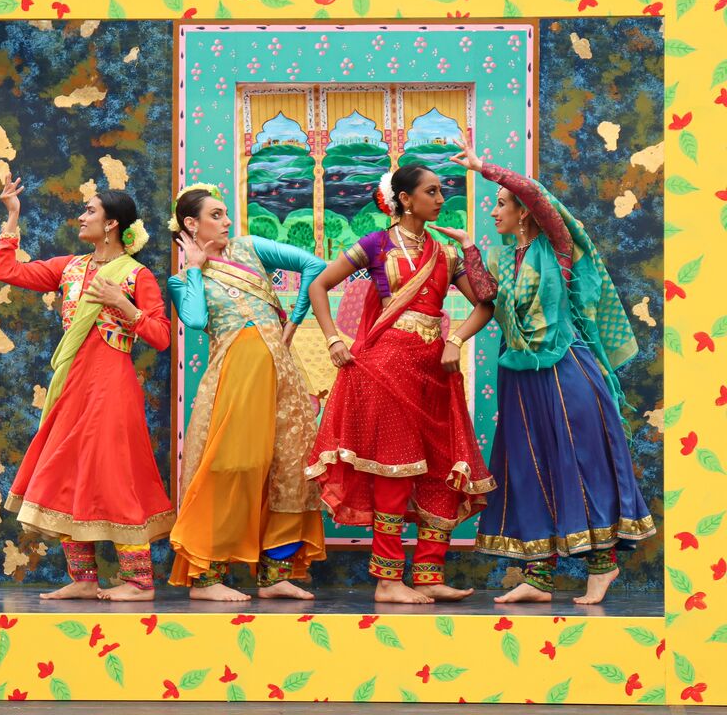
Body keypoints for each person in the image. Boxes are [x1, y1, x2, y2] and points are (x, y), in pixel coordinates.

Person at [448, 134, 656, 605]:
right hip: (520, 377)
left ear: (524, 211)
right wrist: (467, 247)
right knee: (528, 466)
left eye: (501, 204)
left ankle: (602, 567)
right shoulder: (507, 259)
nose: (494, 212)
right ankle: (539, 577)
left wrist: (486, 168)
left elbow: (538, 194)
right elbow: (487, 299)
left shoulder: (557, 248)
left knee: (579, 462)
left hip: (566, 371)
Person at [305, 164, 497, 605]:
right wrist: (334, 338)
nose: (440, 197)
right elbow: (319, 286)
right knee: (394, 471)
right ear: (405, 199)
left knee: (442, 469)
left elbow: (486, 303)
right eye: (431, 191)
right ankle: (388, 580)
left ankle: (429, 574)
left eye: (441, 190)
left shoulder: (445, 253)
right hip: (386, 369)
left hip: (435, 373)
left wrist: (455, 336)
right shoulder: (376, 244)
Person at [0, 176, 174, 601]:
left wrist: (123, 303)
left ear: (112, 223)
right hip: (72, 384)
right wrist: (12, 216)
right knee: (67, 473)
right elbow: (8, 271)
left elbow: (162, 337)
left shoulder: (135, 275)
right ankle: (85, 576)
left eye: (90, 210)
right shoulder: (70, 267)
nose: (81, 216)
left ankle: (139, 582)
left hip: (112, 385)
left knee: (114, 473)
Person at [168, 183, 326, 601]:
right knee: (231, 467)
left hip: (280, 373)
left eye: (224, 214)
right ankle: (206, 578)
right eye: (216, 215)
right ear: (191, 223)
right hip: (234, 378)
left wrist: (293, 320)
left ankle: (274, 575)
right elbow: (198, 320)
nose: (226, 222)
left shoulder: (249, 248)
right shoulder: (182, 280)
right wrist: (197, 268)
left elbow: (313, 264)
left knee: (288, 467)